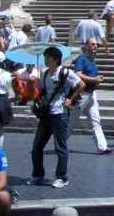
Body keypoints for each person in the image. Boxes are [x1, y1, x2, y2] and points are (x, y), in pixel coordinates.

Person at [28, 46, 83, 188]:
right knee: (37, 146)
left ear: (55, 59)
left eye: (47, 57)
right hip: (46, 114)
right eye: (45, 57)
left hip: (60, 113)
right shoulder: (45, 73)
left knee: (60, 147)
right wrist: (34, 84)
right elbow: (42, 91)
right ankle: (38, 175)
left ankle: (62, 177)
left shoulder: (65, 72)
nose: (45, 60)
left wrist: (70, 99)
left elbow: (81, 85)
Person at [72, 38, 112, 155]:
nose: (95, 47)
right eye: (93, 44)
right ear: (86, 46)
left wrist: (96, 79)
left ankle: (102, 147)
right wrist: (94, 79)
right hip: (82, 95)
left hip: (91, 94)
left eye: (97, 45)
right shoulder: (81, 58)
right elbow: (77, 74)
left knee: (96, 121)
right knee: (71, 121)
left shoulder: (92, 60)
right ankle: (60, 142)